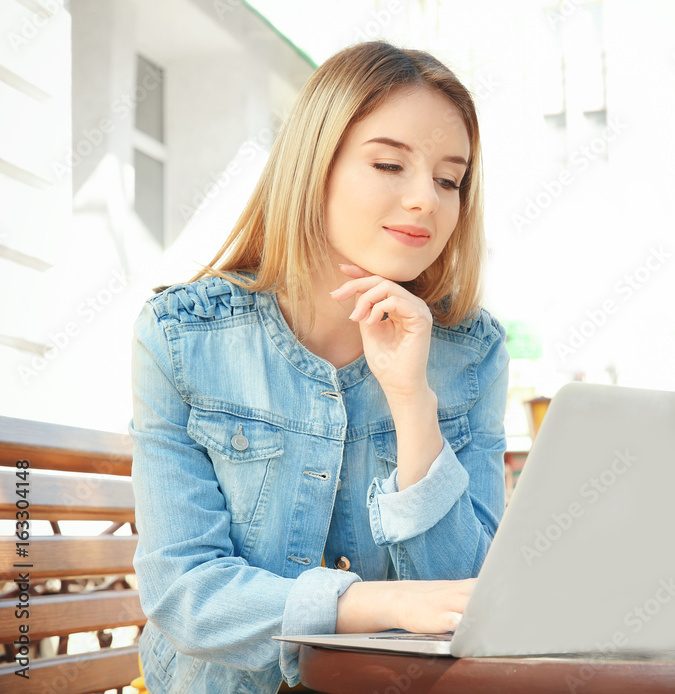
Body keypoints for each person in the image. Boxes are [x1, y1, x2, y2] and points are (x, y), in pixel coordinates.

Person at [129, 41, 509, 693]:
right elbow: (186, 592)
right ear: (315, 166)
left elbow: (468, 594)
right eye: (390, 163)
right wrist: (378, 605)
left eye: (450, 179)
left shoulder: (473, 351)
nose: (427, 199)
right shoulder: (180, 336)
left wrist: (412, 401)